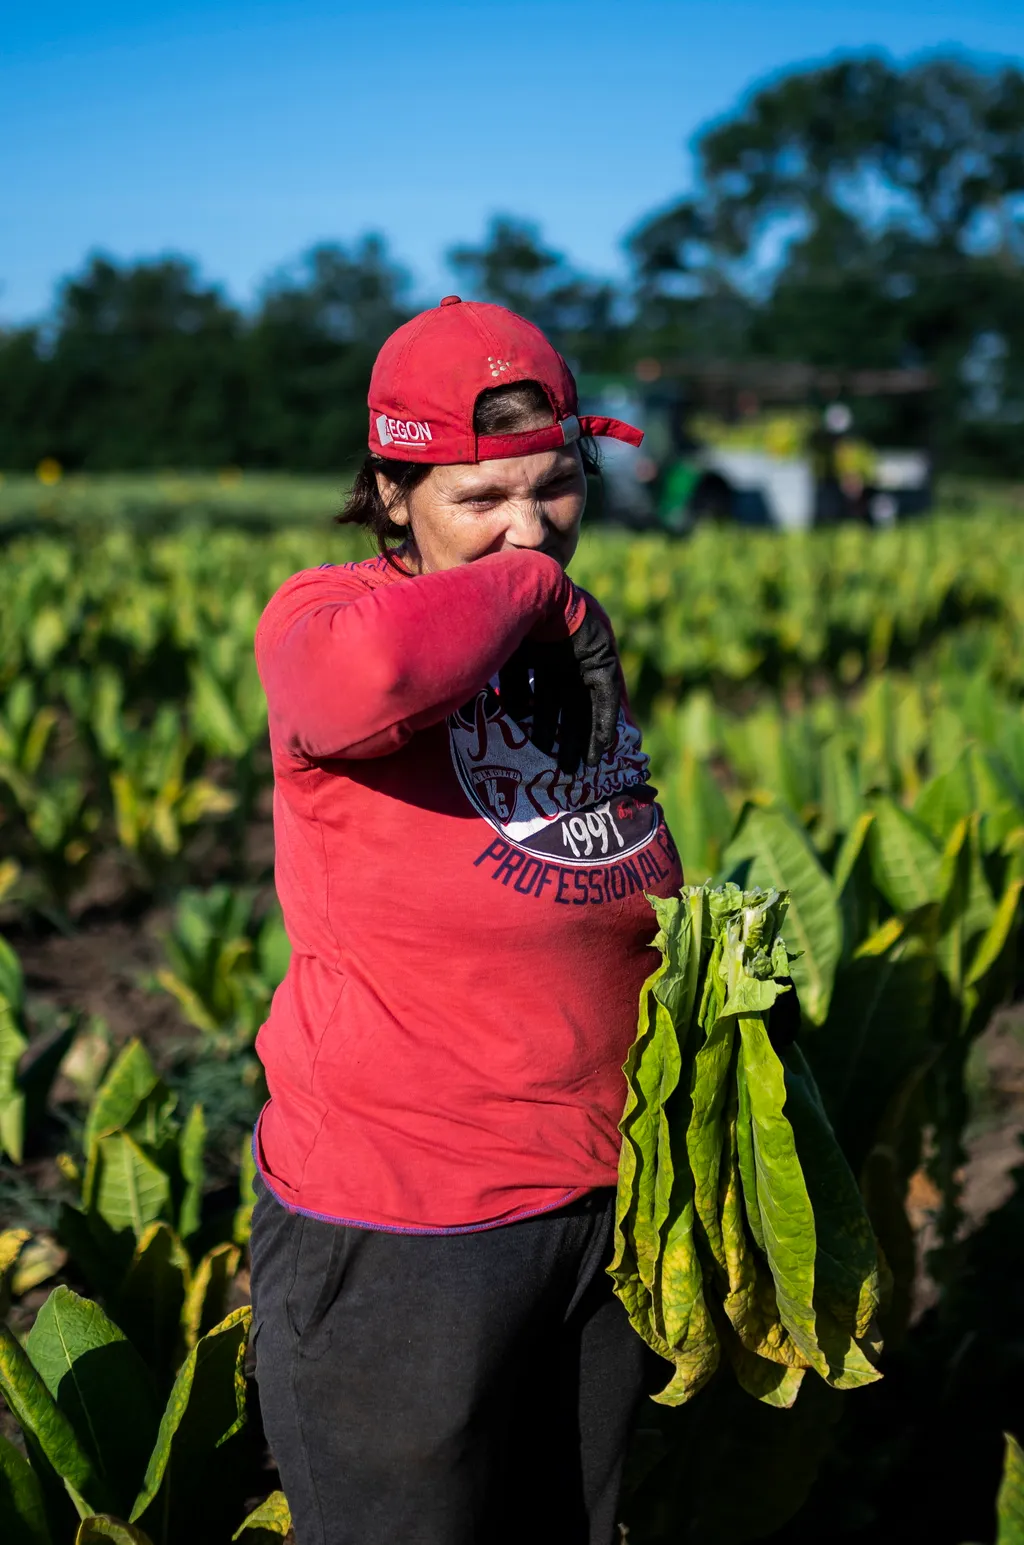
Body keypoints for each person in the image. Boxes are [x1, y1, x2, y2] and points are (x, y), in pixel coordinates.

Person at [249, 295, 684, 1545]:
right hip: (410, 1225)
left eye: (553, 489)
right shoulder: (324, 613)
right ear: (391, 496)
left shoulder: (549, 641)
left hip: (597, 1206)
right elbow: (362, 686)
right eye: (477, 498)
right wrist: (541, 595)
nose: (529, 529)